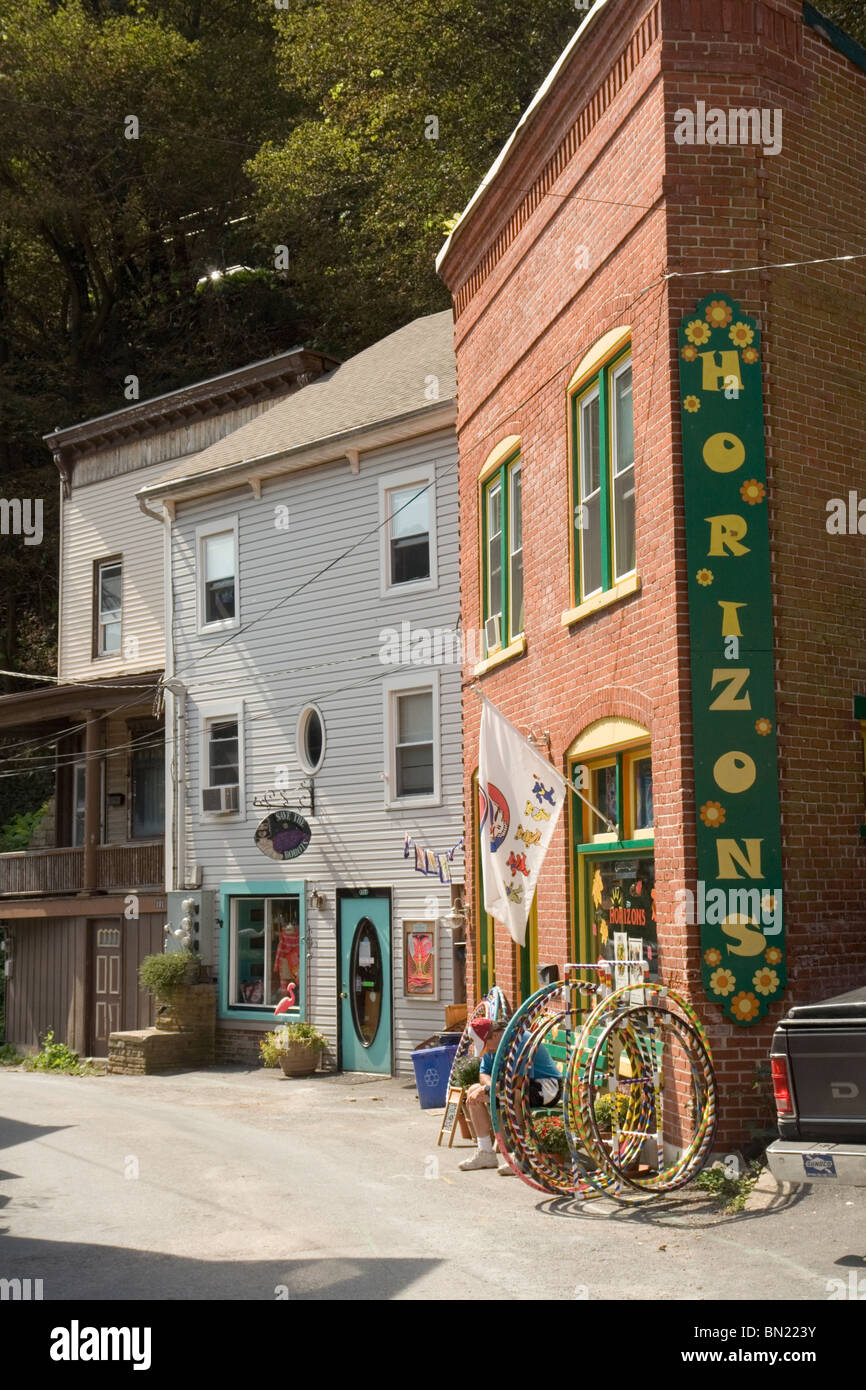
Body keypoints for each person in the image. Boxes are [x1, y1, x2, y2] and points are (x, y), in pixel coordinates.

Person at [458, 1017, 563, 1174]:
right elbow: (484, 1074)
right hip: (513, 1087)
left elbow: (518, 1082)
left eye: (486, 1045)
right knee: (473, 1092)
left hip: (546, 1087)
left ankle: (522, 1156)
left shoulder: (521, 1041)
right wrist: (487, 1088)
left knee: (514, 1095)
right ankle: (485, 1152)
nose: (486, 1051)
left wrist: (488, 1090)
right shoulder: (493, 1046)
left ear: (495, 1035)